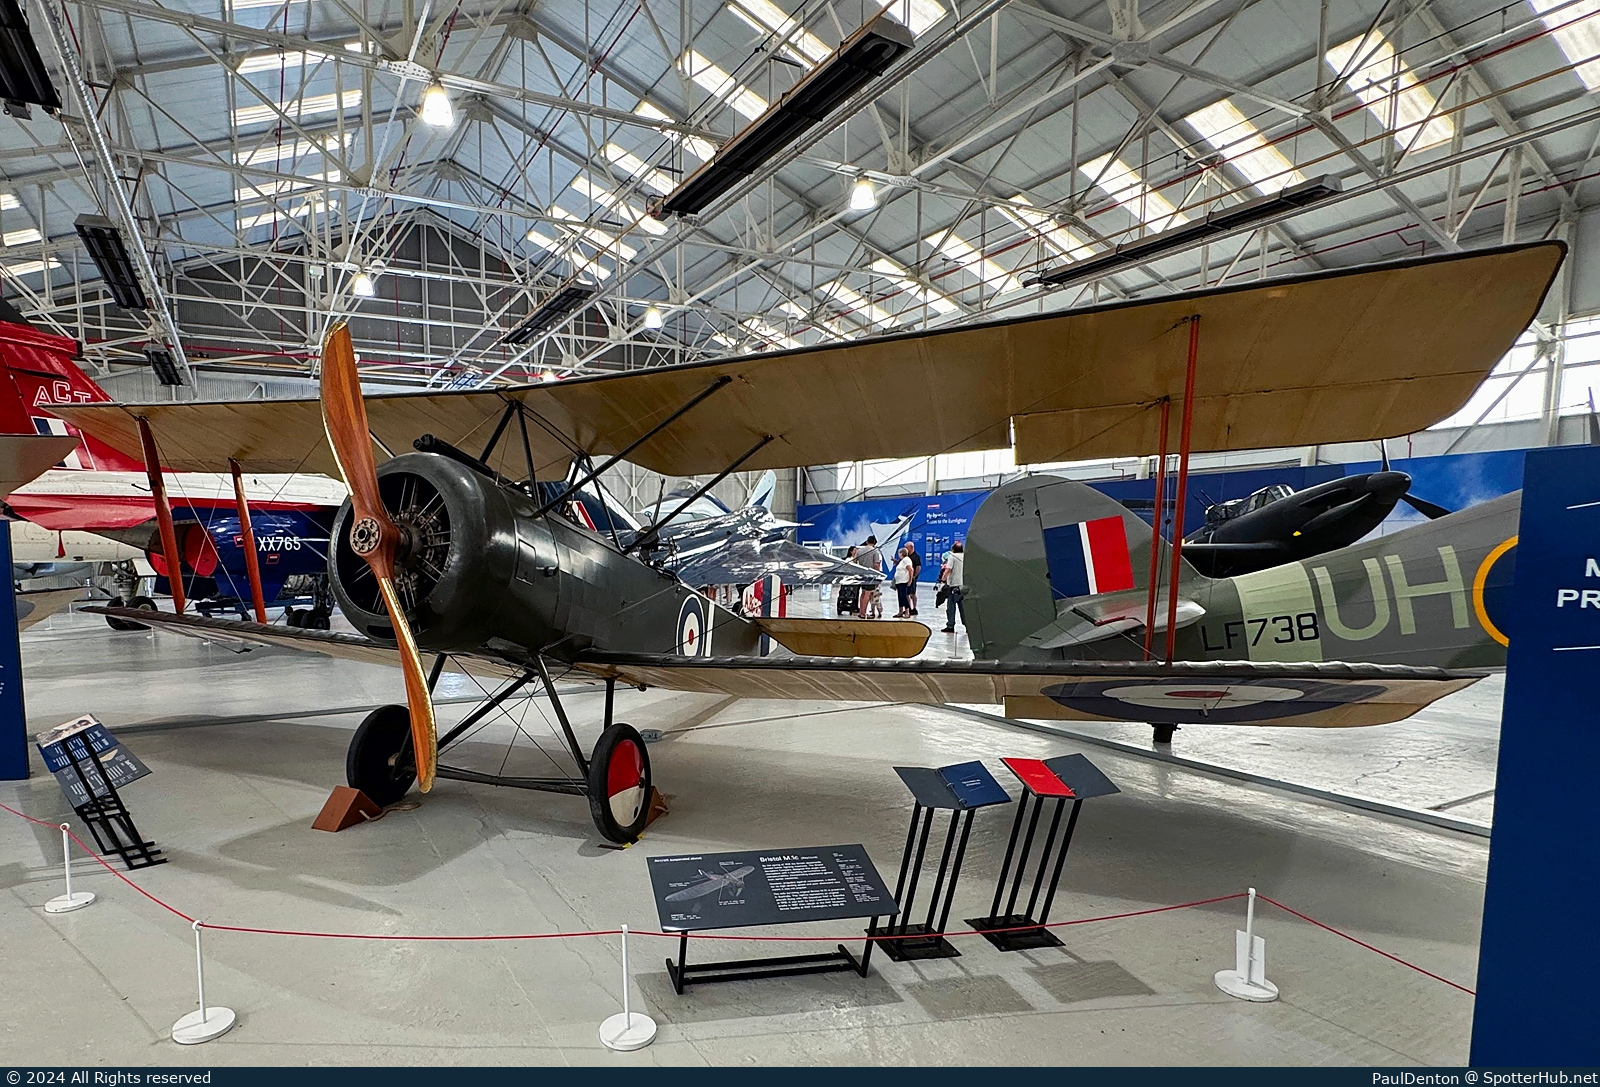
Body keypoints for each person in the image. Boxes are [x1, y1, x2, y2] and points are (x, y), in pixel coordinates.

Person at [939, 540, 965, 632]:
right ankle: (967, 625)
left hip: (953, 585)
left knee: (951, 606)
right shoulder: (965, 556)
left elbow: (948, 569)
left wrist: (943, 579)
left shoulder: (952, 557)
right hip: (963, 585)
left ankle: (950, 625)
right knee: (963, 607)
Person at [857, 535, 884, 618]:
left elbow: (854, 561)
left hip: (861, 575)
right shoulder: (875, 551)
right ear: (875, 543)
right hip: (870, 576)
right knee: (867, 594)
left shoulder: (859, 550)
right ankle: (863, 613)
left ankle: (861, 611)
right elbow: (876, 565)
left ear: (867, 541)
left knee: (863, 593)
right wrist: (878, 576)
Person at [892, 546, 915, 618]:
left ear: (901, 553)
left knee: (903, 596)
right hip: (899, 581)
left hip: (903, 581)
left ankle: (907, 612)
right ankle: (900, 611)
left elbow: (911, 570)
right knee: (900, 597)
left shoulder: (906, 560)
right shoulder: (902, 560)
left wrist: (910, 580)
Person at [904, 540, 922, 616]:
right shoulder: (907, 556)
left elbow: (918, 567)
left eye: (906, 548)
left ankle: (914, 608)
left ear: (911, 547)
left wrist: (914, 576)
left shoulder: (916, 556)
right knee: (907, 593)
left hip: (912, 578)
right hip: (906, 577)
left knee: (913, 593)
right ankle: (909, 608)